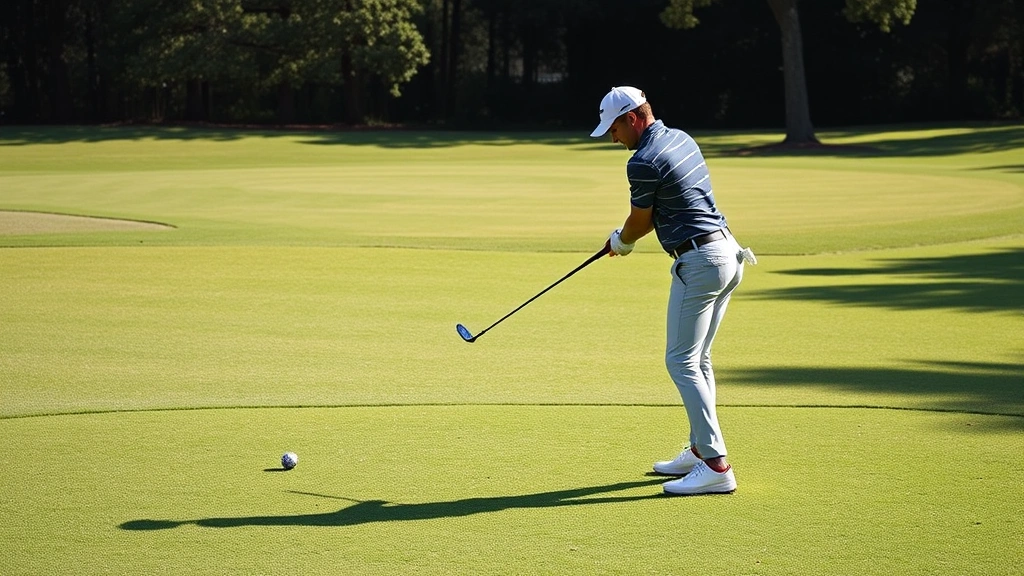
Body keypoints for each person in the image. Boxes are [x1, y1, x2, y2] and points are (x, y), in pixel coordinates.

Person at [591, 86, 756, 495]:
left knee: (680, 362)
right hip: (728, 254)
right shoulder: (680, 137)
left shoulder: (643, 160)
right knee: (698, 360)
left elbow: (639, 221)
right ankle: (701, 450)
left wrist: (620, 241)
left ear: (632, 118)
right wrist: (624, 238)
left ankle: (716, 466)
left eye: (613, 129)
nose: (612, 138)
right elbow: (659, 212)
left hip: (700, 262)